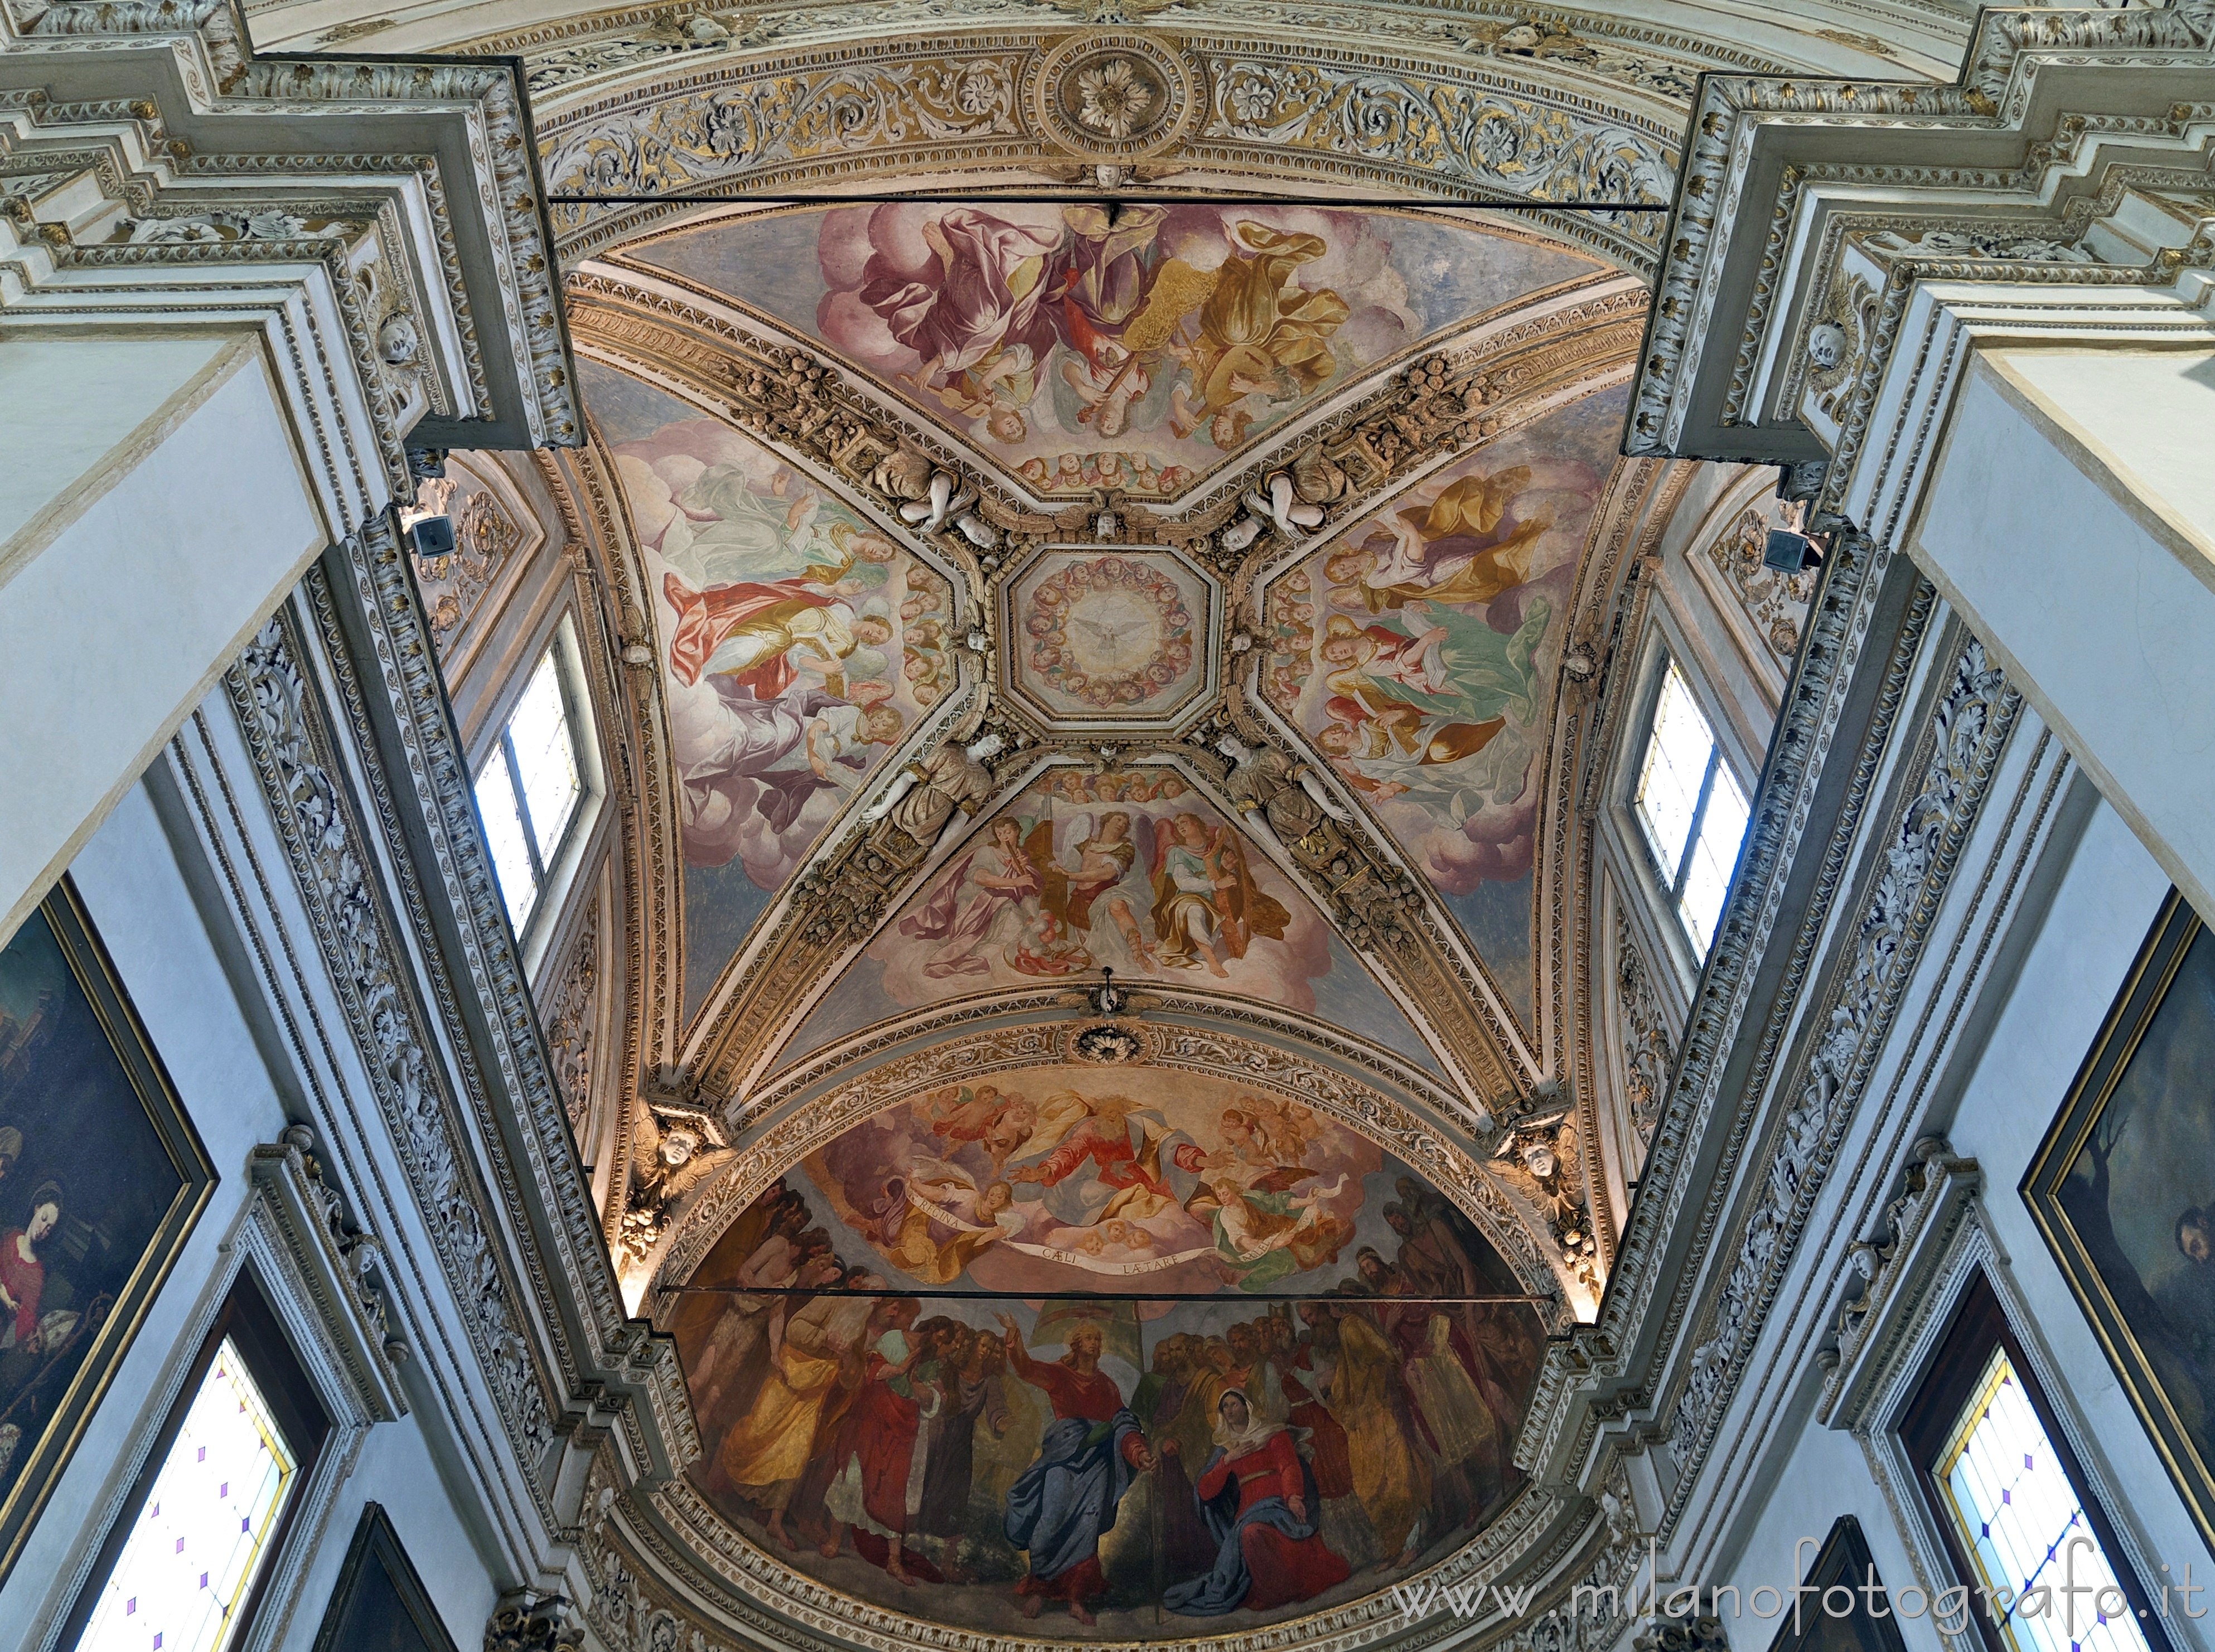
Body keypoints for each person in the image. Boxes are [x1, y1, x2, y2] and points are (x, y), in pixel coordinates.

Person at [997, 1318, 1156, 1624]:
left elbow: (1122, 1424)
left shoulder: (1107, 1386)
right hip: (1063, 1458)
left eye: (1097, 1339)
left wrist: (1140, 1453)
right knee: (1050, 1520)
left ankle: (1076, 1599)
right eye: (1087, 1338)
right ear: (1077, 1345)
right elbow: (1027, 1370)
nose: (1094, 1344)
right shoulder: (1060, 1375)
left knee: (1087, 1528)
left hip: (1097, 1465)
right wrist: (1015, 1337)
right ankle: (1039, 1590)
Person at [1162, 1389, 1352, 1615]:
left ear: (1247, 1406)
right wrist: (1227, 1461)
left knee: (1255, 1534)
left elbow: (1288, 1465)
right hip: (1249, 1510)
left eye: (1234, 1404)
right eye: (1225, 1407)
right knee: (1249, 1533)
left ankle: (1288, 1586)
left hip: (1277, 1501)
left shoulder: (1272, 1433)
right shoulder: (1227, 1447)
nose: (1230, 1410)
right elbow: (1205, 1491)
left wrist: (1293, 1497)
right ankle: (1274, 1590)